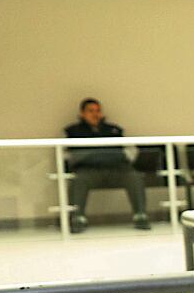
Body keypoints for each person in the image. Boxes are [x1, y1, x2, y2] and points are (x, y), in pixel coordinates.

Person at [62, 98, 150, 231]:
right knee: (78, 180)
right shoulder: (72, 132)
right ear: (82, 113)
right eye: (90, 111)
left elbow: (129, 151)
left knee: (134, 176)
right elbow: (68, 155)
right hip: (88, 171)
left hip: (117, 169)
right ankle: (77, 218)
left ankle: (140, 215)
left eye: (97, 111)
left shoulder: (113, 130)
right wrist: (91, 156)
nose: (95, 114)